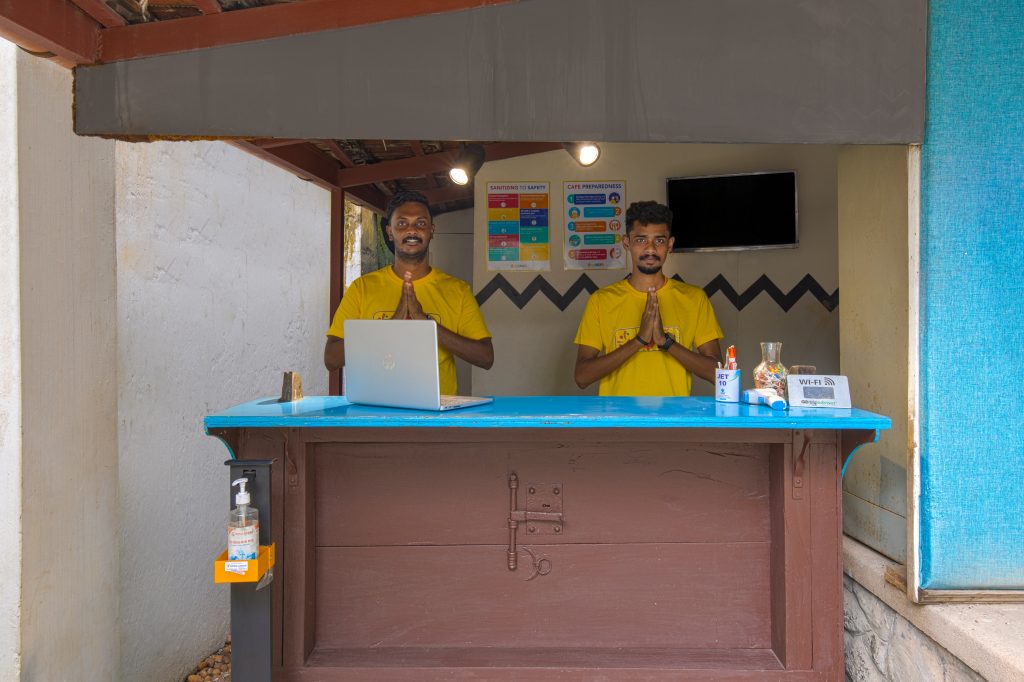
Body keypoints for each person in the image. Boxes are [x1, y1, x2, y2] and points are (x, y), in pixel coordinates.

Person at [324, 190, 493, 394]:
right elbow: (331, 359)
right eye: (402, 223)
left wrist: (427, 324)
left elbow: (485, 357)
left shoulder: (458, 291)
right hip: (376, 411)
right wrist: (391, 326)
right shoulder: (362, 288)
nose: (412, 230)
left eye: (420, 223)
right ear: (389, 232)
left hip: (435, 418)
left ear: (432, 230)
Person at [573, 200, 723, 396]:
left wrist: (666, 342)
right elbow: (582, 377)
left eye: (659, 240)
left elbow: (719, 375)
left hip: (673, 422)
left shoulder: (694, 298)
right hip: (618, 422)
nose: (651, 248)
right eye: (641, 240)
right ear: (627, 243)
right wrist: (638, 340)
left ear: (670, 244)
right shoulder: (601, 300)